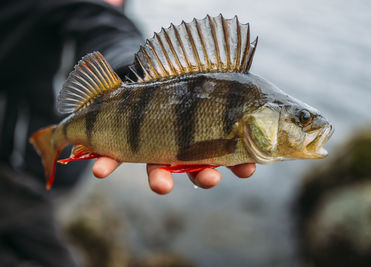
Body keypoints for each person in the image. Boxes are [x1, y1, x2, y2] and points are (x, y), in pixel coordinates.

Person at [0, 0, 255, 265]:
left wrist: (133, 73)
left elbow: (108, 29)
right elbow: (98, 17)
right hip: (18, 167)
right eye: (302, 120)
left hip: (34, 170)